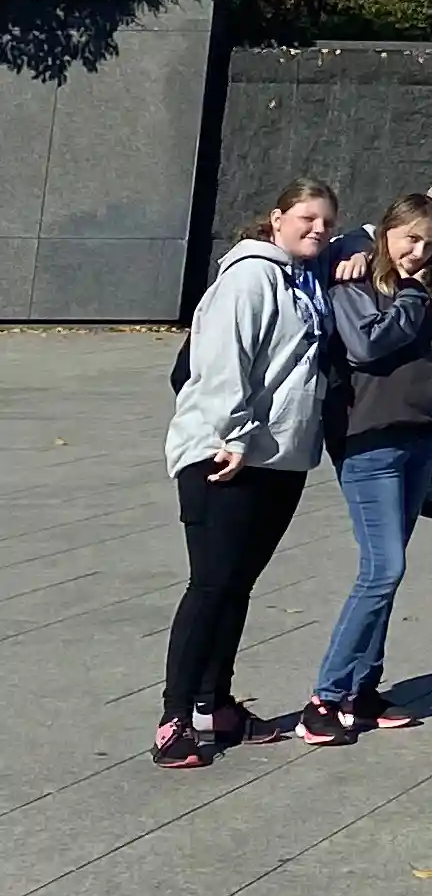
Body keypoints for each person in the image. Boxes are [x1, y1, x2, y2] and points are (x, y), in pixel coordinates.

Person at [155, 175, 345, 768]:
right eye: (306, 218)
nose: (317, 230)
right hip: (226, 451)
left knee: (237, 585)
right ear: (276, 217)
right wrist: (233, 434)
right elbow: (224, 359)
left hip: (279, 457)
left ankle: (215, 703)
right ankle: (174, 718)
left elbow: (367, 241)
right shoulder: (253, 275)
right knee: (211, 584)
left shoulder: (302, 277)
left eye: (327, 224)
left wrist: (356, 249)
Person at [303, 189, 432, 744]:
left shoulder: (423, 299)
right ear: (387, 233)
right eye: (410, 238)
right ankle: (323, 697)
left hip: (422, 442)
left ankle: (362, 689)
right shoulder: (355, 285)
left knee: (388, 574)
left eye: (429, 244)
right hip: (370, 443)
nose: (417, 251)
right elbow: (368, 345)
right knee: (383, 569)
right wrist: (412, 296)